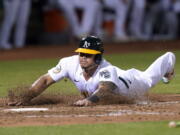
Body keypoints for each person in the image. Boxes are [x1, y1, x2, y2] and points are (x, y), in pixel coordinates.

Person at [8, 36, 176, 106]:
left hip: (133, 84)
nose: (83, 57)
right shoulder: (68, 63)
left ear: (98, 57)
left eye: (88, 55)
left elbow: (105, 89)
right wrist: (26, 96)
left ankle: (169, 65)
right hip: (121, 78)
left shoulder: (106, 69)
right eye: (81, 53)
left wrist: (90, 100)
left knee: (150, 75)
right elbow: (46, 79)